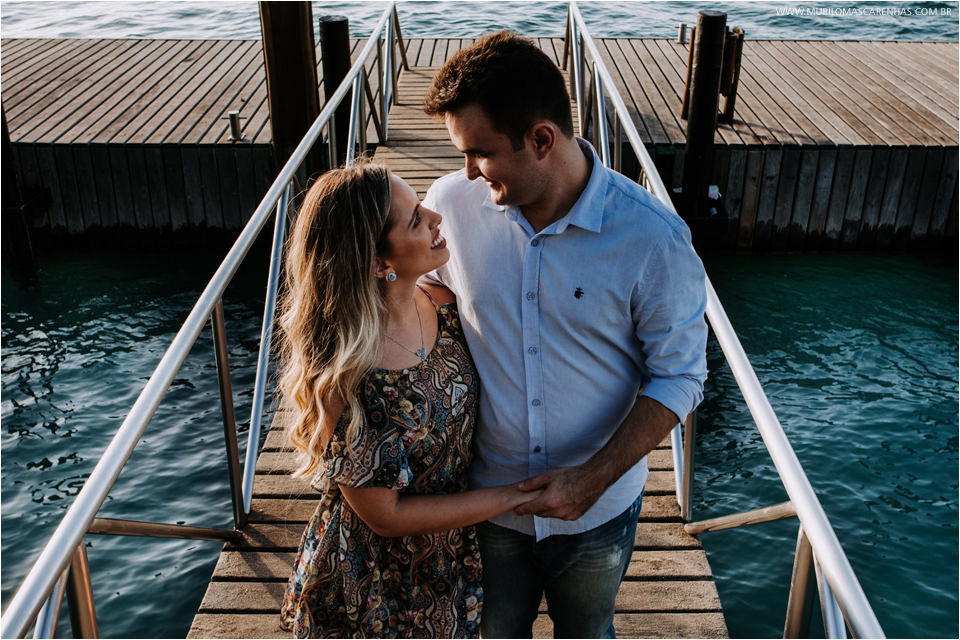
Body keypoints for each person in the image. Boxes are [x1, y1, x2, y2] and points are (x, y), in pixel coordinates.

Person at [421, 31, 709, 638]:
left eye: (479, 153)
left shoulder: (653, 238)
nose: (466, 172)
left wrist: (593, 477)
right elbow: (419, 302)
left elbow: (680, 375)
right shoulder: (450, 204)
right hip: (488, 502)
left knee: (588, 633)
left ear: (542, 139)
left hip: (598, 512)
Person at [277, 162, 541, 638]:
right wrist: (506, 499)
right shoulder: (350, 378)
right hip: (376, 584)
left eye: (421, 203)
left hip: (450, 559)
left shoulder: (442, 301)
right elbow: (386, 517)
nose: (436, 217)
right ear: (381, 263)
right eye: (416, 219)